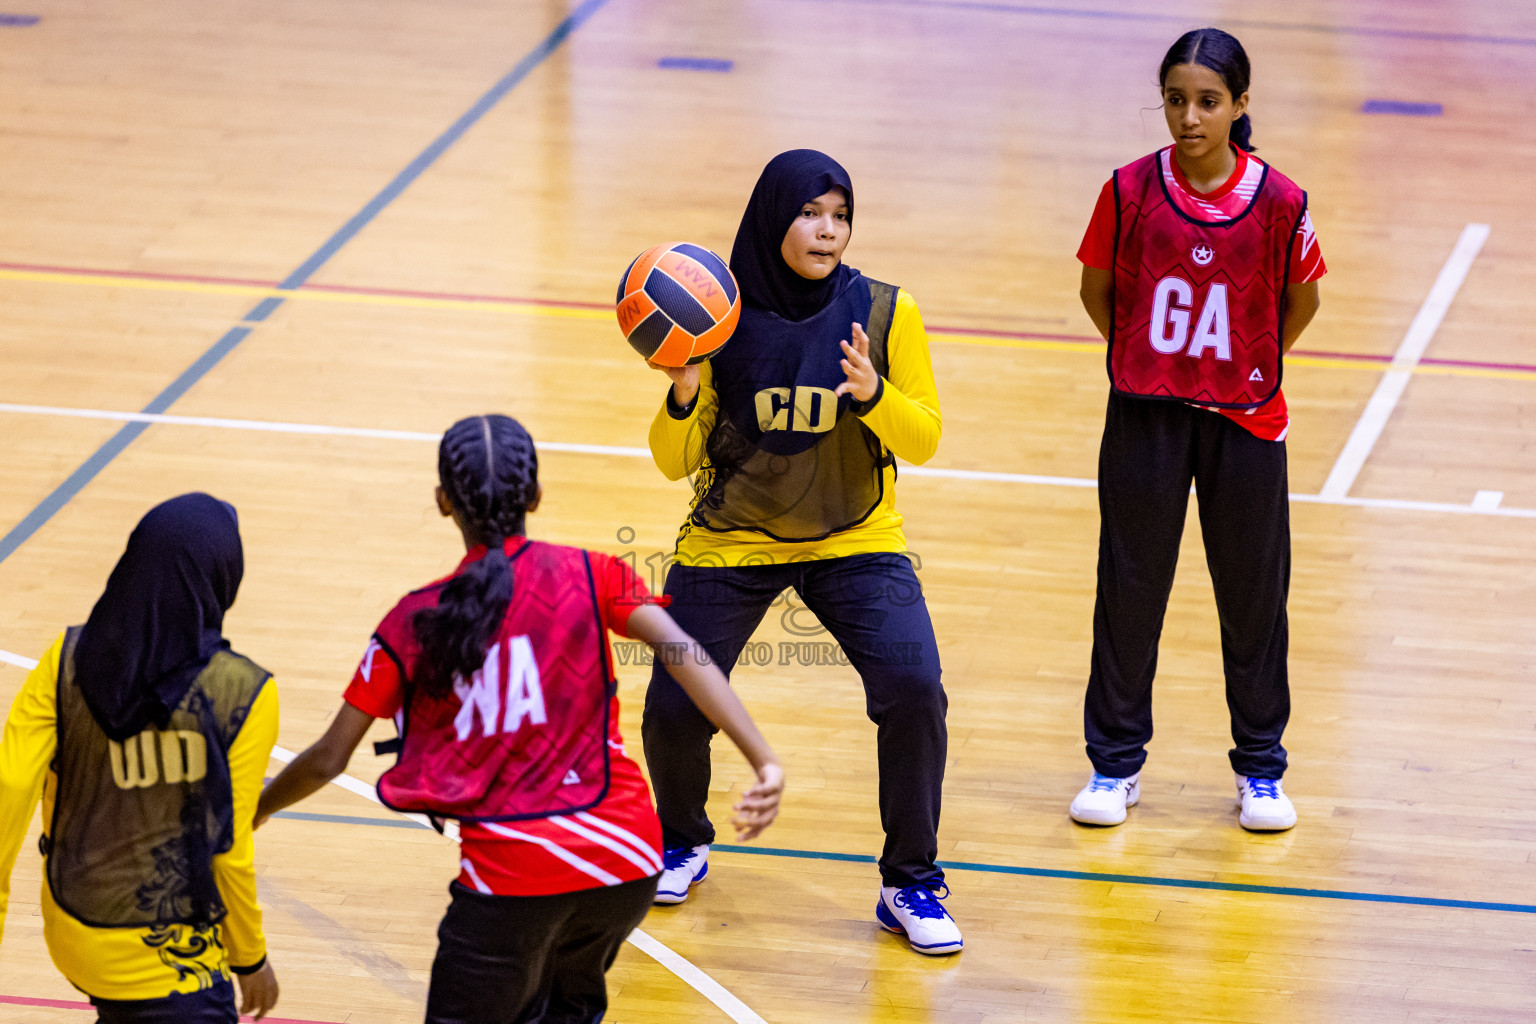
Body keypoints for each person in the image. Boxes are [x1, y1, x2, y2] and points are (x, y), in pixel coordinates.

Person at [256, 414, 783, 1024]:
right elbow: (683, 650)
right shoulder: (594, 574)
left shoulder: (415, 618)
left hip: (515, 875)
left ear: (442, 502)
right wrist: (762, 757)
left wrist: (258, 810)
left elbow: (328, 757)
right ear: (534, 495)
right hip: (628, 859)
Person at [645, 149, 960, 955]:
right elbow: (672, 460)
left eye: (841, 214)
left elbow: (924, 440)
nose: (829, 231)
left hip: (856, 539)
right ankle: (682, 839)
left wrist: (875, 396)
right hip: (732, 540)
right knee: (675, 706)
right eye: (811, 213)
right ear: (771, 217)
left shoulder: (888, 312)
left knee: (915, 687)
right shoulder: (717, 316)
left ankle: (910, 881)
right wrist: (683, 390)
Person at [1070, 28, 1325, 832]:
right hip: (1145, 414)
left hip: (1246, 422)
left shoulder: (1282, 202)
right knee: (1130, 589)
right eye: (1176, 100)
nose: (1189, 117)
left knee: (1253, 597)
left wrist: (1235, 365)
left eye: (1208, 102)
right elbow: (1097, 290)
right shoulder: (1127, 190)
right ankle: (1114, 767)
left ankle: (1261, 770)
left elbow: (1304, 301)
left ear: (1241, 105)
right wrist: (1162, 360)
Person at [0, 493, 281, 1023]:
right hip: (172, 966)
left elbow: (9, 789)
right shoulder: (245, 693)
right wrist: (251, 958)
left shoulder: (64, 659)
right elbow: (228, 851)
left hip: (74, 932)